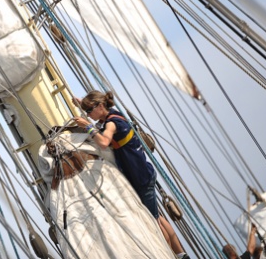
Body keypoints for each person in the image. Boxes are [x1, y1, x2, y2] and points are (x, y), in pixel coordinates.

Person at [73, 90, 190, 259]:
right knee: (157, 217)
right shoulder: (114, 114)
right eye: (87, 113)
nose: (89, 115)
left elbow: (104, 142)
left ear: (100, 106)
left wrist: (88, 127)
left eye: (90, 111)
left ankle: (170, 255)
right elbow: (98, 117)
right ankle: (181, 255)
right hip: (144, 173)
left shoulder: (111, 124)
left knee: (154, 224)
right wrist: (81, 102)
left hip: (139, 178)